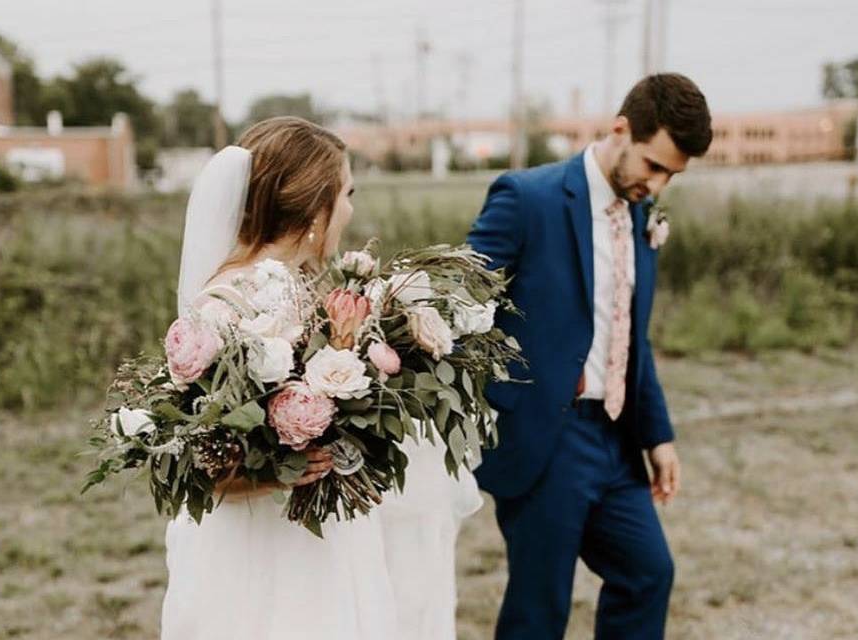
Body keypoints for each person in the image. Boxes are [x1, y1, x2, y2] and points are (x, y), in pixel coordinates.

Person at [160, 116, 480, 639]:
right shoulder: (223, 306)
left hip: (328, 540)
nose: (352, 209)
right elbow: (199, 464)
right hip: (264, 556)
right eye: (346, 192)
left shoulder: (310, 290)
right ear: (315, 206)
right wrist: (280, 469)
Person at [467, 73, 713, 639]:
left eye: (672, 175)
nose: (659, 186)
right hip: (546, 439)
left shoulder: (637, 211)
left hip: (617, 440)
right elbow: (456, 311)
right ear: (620, 130)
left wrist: (659, 435)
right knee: (540, 608)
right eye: (654, 166)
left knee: (648, 573)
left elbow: (630, 336)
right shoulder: (527, 199)